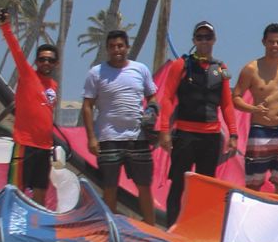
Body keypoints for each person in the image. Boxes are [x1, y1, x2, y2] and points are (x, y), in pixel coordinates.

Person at [156, 20, 239, 225]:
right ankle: (172, 228)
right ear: (194, 40)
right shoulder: (182, 65)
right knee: (178, 185)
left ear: (214, 40)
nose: (204, 41)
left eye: (208, 37)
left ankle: (199, 228)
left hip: (211, 137)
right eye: (200, 37)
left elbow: (227, 104)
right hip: (185, 135)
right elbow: (166, 98)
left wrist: (234, 134)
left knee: (206, 186)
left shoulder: (221, 68)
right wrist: (164, 130)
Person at [81, 28, 157, 221]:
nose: (117, 50)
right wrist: (91, 137)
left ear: (127, 47)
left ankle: (151, 228)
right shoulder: (96, 73)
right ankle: (111, 230)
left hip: (137, 137)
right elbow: (88, 106)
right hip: (108, 138)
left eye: (120, 46)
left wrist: (153, 112)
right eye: (112, 46)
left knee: (144, 186)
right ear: (107, 49)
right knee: (110, 187)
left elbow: (153, 97)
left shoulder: (140, 69)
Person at [231, 23, 278, 195]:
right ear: (264, 42)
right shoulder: (251, 69)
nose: (275, 46)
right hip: (260, 131)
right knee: (253, 183)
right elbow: (235, 97)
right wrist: (252, 109)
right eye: (271, 42)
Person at [0, 9, 59, 200]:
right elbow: (16, 50)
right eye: (42, 59)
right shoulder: (28, 75)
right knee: (17, 188)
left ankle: (36, 224)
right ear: (36, 61)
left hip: (44, 146)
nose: (45, 62)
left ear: (55, 63)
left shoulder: (54, 85)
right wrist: (5, 26)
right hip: (25, 143)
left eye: (50, 60)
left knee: (40, 188)